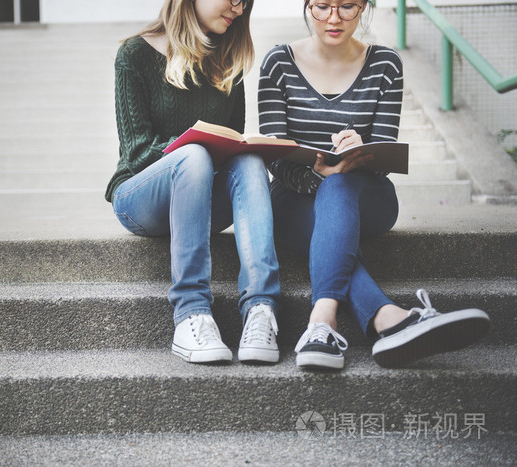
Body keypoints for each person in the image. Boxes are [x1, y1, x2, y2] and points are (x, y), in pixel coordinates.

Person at [258, 0, 490, 369]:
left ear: (364, 7)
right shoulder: (278, 63)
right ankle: (389, 319)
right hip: (293, 200)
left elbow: (384, 155)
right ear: (307, 6)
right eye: (322, 6)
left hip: (367, 198)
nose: (334, 18)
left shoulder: (385, 64)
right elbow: (272, 155)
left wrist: (360, 147)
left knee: (339, 186)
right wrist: (317, 174)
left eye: (347, 7)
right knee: (330, 191)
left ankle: (321, 324)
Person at [106, 0, 282, 364]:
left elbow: (233, 142)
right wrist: (194, 147)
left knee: (248, 158)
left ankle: (261, 311)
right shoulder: (135, 55)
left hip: (202, 199)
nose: (238, 7)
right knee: (194, 155)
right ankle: (191, 313)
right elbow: (137, 153)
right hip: (141, 198)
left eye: (245, 2)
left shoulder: (227, 57)